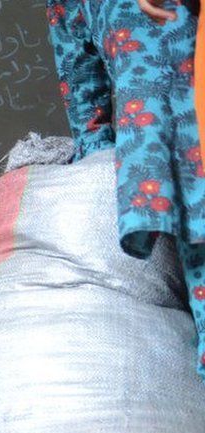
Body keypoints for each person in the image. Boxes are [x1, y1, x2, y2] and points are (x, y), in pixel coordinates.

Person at [47, 0, 205, 381]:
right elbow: (80, 76)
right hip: (175, 147)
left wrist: (97, 151)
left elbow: (82, 90)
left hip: (169, 147)